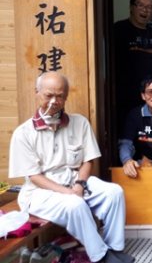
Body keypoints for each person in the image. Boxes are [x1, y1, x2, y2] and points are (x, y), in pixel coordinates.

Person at [8, 72, 133, 263]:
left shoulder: (79, 122)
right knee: (75, 204)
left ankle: (114, 247)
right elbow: (34, 176)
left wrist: (79, 184)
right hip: (39, 191)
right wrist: (68, 193)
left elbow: (87, 161)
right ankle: (101, 256)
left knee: (114, 192)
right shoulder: (23, 133)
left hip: (74, 180)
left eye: (60, 96)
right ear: (37, 92)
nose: (54, 101)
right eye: (49, 95)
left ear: (66, 96)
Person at [113, 0, 152, 135]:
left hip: (148, 93)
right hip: (123, 92)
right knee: (124, 132)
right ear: (131, 7)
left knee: (145, 132)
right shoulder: (118, 29)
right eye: (141, 5)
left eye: (150, 7)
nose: (145, 10)